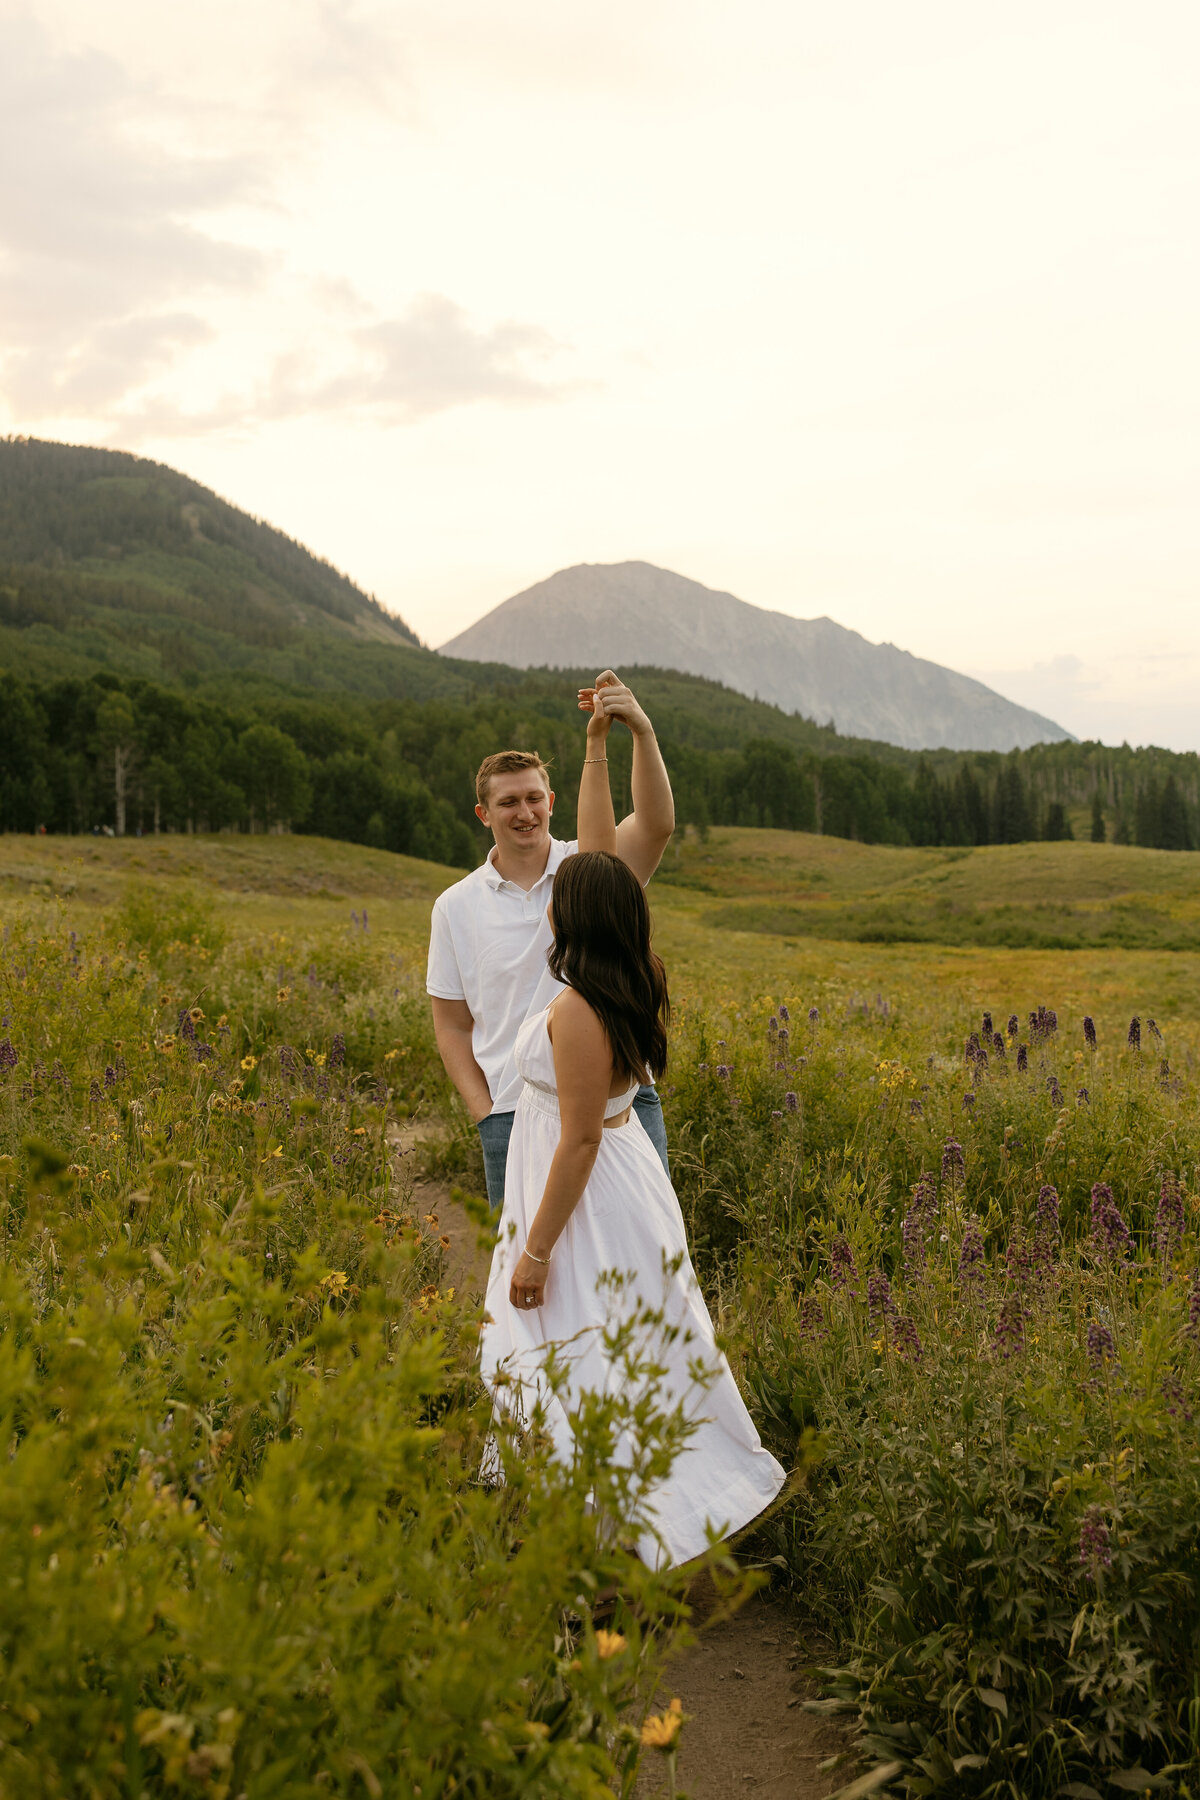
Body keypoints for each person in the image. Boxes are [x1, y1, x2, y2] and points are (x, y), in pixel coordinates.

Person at [479, 694, 786, 1569]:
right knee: (620, 1345)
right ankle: (602, 1523)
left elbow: (577, 1139)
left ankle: (620, 1540)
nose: (549, 898)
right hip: (615, 1183)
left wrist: (532, 1251)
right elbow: (604, 857)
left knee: (585, 1349)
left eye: (560, 894)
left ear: (571, 916)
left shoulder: (577, 1008)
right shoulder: (623, 971)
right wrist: (595, 747)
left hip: (587, 1196)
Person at [426, 671, 675, 1209]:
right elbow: (451, 1023)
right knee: (529, 1272)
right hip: (514, 1114)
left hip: (621, 1101)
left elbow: (655, 826)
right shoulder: (455, 906)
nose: (525, 812)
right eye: (509, 802)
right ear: (483, 813)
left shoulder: (589, 868)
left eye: (534, 798)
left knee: (645, 1257)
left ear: (552, 801)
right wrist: (484, 1109)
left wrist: (642, 733)